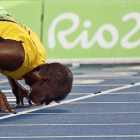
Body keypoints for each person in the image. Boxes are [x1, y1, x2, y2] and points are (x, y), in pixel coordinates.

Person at [0, 7, 73, 112]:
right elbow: (12, 56)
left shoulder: (39, 59)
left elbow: (7, 49)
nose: (47, 103)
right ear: (45, 80)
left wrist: (14, 84)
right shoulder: (18, 57)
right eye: (50, 98)